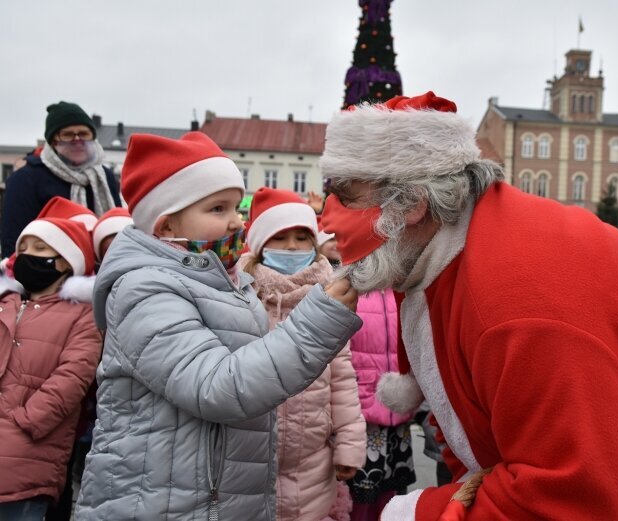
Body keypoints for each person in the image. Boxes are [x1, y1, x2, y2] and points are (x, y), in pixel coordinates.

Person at [319, 92, 618, 520]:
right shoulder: (437, 254)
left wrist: (419, 512)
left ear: (413, 204)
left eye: (347, 195)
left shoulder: (515, 298)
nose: (326, 219)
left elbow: (569, 499)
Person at [74, 132, 362, 520]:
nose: (236, 220)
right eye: (217, 209)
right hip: (162, 503)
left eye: (235, 205)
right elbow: (217, 387)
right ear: (165, 223)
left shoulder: (223, 281)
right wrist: (318, 321)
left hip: (211, 498)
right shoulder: (144, 289)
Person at [238, 187, 365, 521]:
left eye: (301, 238)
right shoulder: (242, 297)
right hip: (249, 455)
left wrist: (350, 443)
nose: (292, 247)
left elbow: (342, 376)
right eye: (280, 238)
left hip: (311, 458)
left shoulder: (330, 298)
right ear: (261, 245)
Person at [0, 217, 103, 519]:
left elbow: (72, 377)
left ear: (65, 262)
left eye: (40, 248)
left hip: (28, 456)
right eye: (23, 248)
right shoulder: (7, 303)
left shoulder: (82, 316)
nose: (27, 255)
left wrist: (26, 422)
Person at [1, 101, 121, 258]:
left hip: (102, 269)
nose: (77, 140)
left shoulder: (104, 177)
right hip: (47, 274)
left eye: (84, 133)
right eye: (67, 134)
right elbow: (13, 239)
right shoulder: (26, 178)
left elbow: (119, 223)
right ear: (53, 142)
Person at [346, 287, 417, 521]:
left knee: (393, 500)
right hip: (358, 418)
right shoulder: (349, 288)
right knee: (358, 502)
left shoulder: (404, 287)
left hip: (399, 413)